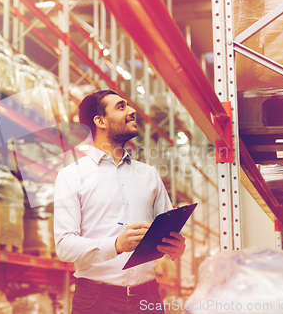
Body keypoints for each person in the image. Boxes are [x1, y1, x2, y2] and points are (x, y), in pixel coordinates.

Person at [54, 90, 186, 314]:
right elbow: (64, 246)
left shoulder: (149, 174)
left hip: (148, 298)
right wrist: (116, 245)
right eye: (121, 107)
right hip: (96, 301)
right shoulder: (71, 175)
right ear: (100, 121)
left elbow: (167, 230)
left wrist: (176, 248)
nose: (132, 111)